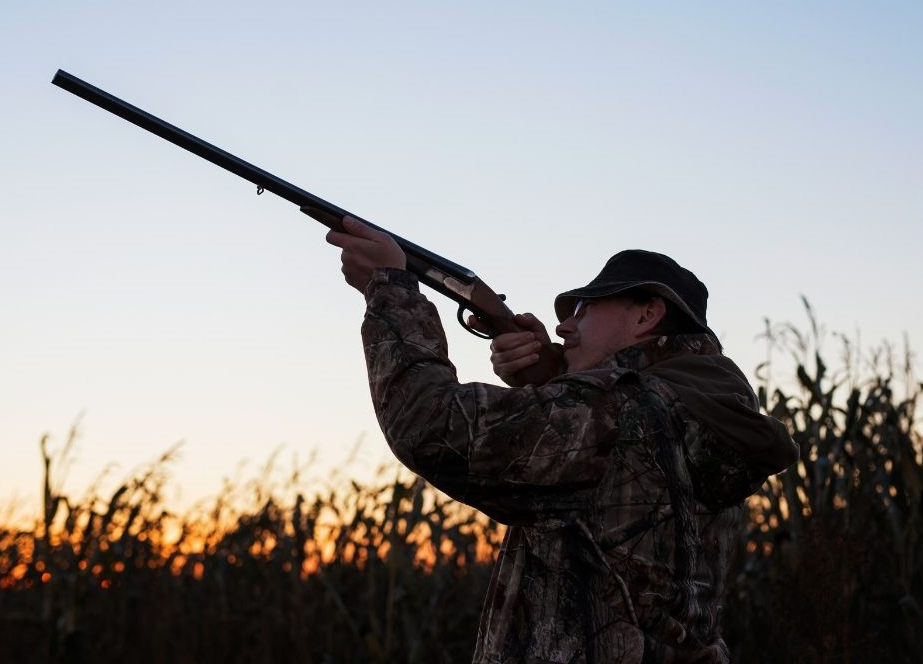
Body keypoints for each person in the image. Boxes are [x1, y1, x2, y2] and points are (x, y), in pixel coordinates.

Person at [326, 217, 798, 664]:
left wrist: (391, 288)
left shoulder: (615, 414)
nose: (563, 326)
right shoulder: (705, 412)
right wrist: (552, 378)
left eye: (586, 309)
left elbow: (427, 425)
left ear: (647, 316)